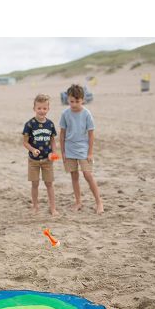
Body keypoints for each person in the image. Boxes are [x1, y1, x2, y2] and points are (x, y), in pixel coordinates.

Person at [59, 84, 104, 213]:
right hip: (69, 149)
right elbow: (62, 134)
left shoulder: (86, 114)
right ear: (68, 99)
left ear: (83, 99)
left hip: (83, 149)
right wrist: (63, 152)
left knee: (88, 175)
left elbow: (91, 134)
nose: (74, 104)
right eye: (71, 101)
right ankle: (78, 202)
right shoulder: (65, 114)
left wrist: (90, 152)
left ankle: (99, 202)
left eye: (77, 101)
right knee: (74, 176)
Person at [22, 94, 58, 215]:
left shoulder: (50, 124)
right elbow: (25, 142)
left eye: (44, 108)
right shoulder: (29, 124)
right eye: (39, 108)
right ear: (34, 108)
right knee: (35, 184)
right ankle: (35, 206)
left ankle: (53, 207)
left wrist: (53, 153)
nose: (42, 111)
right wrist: (32, 149)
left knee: (49, 184)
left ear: (48, 109)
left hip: (47, 160)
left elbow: (52, 140)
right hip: (33, 160)